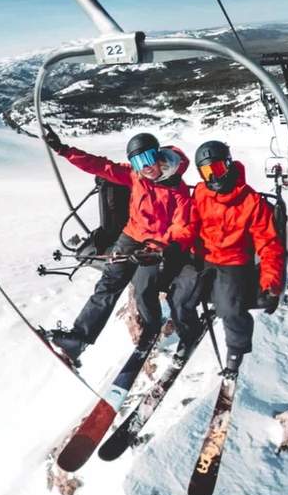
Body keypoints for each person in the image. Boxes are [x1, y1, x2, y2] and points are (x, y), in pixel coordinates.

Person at [43, 127, 193, 365]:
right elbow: (100, 166)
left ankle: (152, 330)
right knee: (108, 283)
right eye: (137, 161)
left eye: (148, 158)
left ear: (158, 156)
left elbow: (183, 226)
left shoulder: (177, 188)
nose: (145, 167)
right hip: (131, 235)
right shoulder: (136, 175)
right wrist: (63, 150)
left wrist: (159, 249)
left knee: (144, 289)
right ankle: (78, 340)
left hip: (156, 244)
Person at [168, 140, 285, 376]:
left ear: (229, 165)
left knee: (230, 308)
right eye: (207, 172)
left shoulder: (251, 202)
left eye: (218, 169)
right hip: (201, 256)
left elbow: (269, 243)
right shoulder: (201, 193)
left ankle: (235, 351)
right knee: (179, 298)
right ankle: (188, 334)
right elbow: (187, 224)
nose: (213, 177)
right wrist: (172, 244)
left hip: (233, 261)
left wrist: (271, 283)